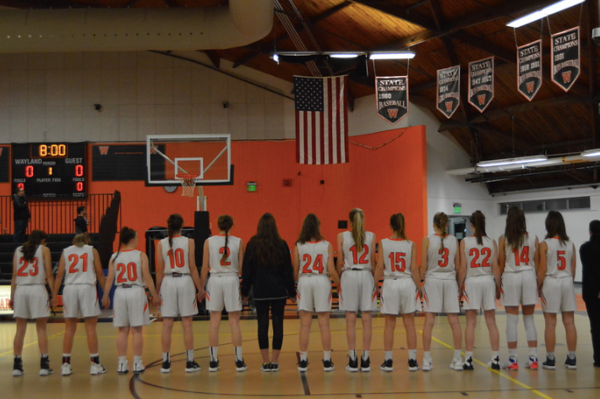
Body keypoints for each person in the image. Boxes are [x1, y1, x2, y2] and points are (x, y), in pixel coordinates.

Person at [241, 213, 296, 372]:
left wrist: (245, 291)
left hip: (260, 290)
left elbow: (247, 271)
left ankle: (265, 362)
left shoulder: (253, 244)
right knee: (278, 324)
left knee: (262, 324)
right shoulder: (281, 244)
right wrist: (291, 292)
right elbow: (287, 271)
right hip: (278, 291)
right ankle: (275, 361)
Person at [102, 227, 159, 375]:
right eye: (138, 237)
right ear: (132, 239)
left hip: (120, 292)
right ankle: (137, 362)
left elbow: (109, 278)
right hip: (136, 291)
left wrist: (105, 295)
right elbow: (147, 277)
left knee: (123, 330)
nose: (139, 240)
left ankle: (122, 363)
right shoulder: (141, 255)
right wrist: (155, 295)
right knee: (137, 330)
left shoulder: (114, 256)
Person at [155, 214, 205, 373]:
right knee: (187, 324)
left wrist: (156, 292)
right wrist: (200, 289)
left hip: (168, 281)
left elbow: (159, 271)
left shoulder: (161, 244)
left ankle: (165, 362)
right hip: (185, 281)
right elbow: (192, 267)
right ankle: (190, 362)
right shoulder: (189, 242)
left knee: (167, 324)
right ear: (182, 225)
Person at [53, 234, 107, 376]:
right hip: (87, 287)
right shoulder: (91, 250)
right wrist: (106, 293)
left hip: (70, 288)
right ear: (87, 241)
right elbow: (100, 274)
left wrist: (53, 295)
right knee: (90, 329)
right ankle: (95, 364)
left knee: (69, 329)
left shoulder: (66, 251)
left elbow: (59, 275)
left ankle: (65, 364)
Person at [292, 214, 340, 372]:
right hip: (322, 281)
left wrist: (293, 286)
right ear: (317, 226)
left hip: (305, 280)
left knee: (305, 325)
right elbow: (331, 270)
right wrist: (340, 285)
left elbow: (295, 269)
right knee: (324, 324)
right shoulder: (326, 244)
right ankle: (327, 361)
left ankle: (304, 361)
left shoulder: (298, 245)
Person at [373, 213, 420, 372]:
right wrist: (419, 287)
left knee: (389, 325)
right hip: (407, 283)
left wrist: (374, 284)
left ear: (390, 225)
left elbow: (379, 267)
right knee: (410, 324)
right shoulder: (411, 244)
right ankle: (412, 361)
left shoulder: (384, 243)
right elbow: (414, 269)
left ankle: (388, 361)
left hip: (391, 284)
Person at [200, 215, 247, 372]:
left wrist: (200, 287)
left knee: (214, 322)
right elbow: (241, 268)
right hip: (232, 279)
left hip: (215, 279)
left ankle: (213, 361)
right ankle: (239, 360)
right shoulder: (239, 241)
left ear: (218, 225)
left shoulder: (209, 241)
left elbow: (204, 267)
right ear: (232, 225)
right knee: (234, 322)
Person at [457, 211, 501, 370]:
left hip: (472, 282)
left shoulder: (465, 242)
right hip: (488, 281)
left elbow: (462, 268)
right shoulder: (492, 242)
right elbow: (496, 268)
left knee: (471, 323)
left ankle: (468, 360)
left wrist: (460, 287)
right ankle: (496, 359)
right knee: (491, 322)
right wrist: (498, 286)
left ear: (472, 225)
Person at [10, 230, 58, 376]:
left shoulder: (18, 250)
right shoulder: (44, 250)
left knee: (20, 330)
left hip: (21, 290)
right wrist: (54, 295)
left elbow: (14, 276)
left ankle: (17, 367)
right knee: (41, 329)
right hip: (37, 290)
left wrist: (12, 297)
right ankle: (44, 365)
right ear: (43, 240)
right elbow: (49, 274)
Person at [420, 212, 463, 371]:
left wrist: (419, 283)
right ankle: (458, 359)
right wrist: (459, 284)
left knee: (429, 321)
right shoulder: (454, 241)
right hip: (450, 280)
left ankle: (426, 360)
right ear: (446, 225)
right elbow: (458, 266)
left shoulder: (427, 240)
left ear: (434, 224)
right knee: (454, 321)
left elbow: (423, 267)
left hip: (433, 281)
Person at [498, 206, 539, 370]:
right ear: (523, 220)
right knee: (529, 320)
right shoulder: (533, 238)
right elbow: (538, 262)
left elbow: (501, 264)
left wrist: (497, 284)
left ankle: (513, 360)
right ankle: (533, 358)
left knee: (512, 320)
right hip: (528, 275)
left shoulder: (503, 239)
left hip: (511, 277)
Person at [337, 208, 376, 372]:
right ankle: (365, 359)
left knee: (350, 320)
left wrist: (341, 278)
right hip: (366, 275)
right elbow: (373, 262)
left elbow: (339, 262)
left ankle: (353, 360)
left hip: (349, 276)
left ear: (350, 220)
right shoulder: (371, 236)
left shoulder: (342, 236)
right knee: (367, 319)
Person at [538, 210, 577, 370]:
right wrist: (568, 282)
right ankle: (572, 358)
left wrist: (538, 286)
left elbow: (541, 269)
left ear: (548, 224)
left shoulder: (545, 244)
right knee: (569, 322)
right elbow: (573, 269)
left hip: (551, 282)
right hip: (567, 281)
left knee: (550, 323)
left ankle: (550, 359)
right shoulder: (570, 244)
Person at [579, 220, 600, 367]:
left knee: (595, 325)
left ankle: (598, 358)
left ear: (590, 231)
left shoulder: (584, 248)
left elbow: (589, 268)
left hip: (591, 291)